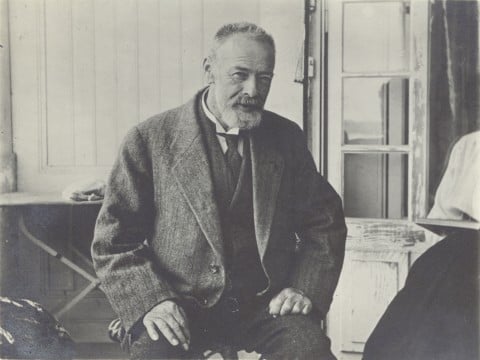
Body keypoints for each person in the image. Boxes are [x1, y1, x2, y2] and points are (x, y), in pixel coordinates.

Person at [92, 22, 347, 359]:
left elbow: (325, 222)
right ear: (209, 70)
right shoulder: (150, 139)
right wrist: (152, 301)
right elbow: (113, 241)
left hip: (264, 309)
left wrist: (305, 288)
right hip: (179, 307)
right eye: (239, 75)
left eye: (265, 78)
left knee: (309, 351)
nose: (253, 90)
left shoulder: (286, 139)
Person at [363, 132, 480, 360]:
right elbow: (445, 215)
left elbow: (444, 216)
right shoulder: (470, 143)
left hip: (456, 252)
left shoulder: (469, 142)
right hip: (460, 254)